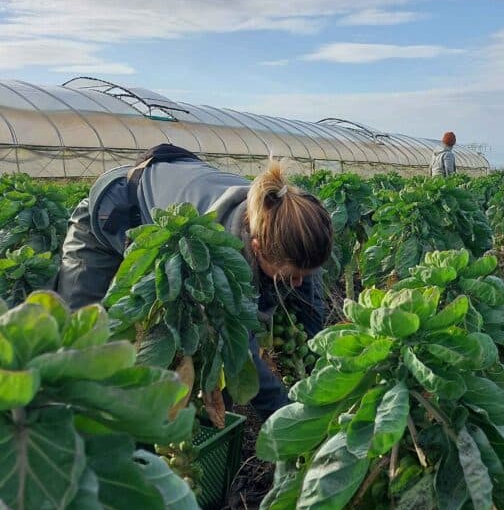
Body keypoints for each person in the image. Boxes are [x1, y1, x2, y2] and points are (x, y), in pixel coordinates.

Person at [55, 145, 333, 416]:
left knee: (212, 361)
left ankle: (206, 432)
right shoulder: (217, 250)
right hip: (114, 209)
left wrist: (319, 366)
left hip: (172, 183)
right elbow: (239, 351)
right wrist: (289, 420)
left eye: (303, 275)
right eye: (289, 276)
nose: (296, 283)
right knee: (79, 337)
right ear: (258, 247)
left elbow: (309, 303)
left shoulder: (293, 223)